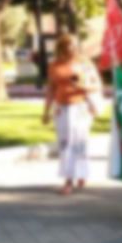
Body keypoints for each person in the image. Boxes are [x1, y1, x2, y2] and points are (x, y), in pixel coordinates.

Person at [42, 34, 99, 196]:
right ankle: (68, 178)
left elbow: (96, 85)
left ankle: (80, 173)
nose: (73, 49)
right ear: (62, 47)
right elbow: (51, 88)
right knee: (65, 143)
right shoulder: (54, 65)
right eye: (69, 46)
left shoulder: (84, 64)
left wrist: (83, 86)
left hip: (81, 107)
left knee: (79, 142)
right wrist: (46, 111)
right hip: (62, 108)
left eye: (75, 45)